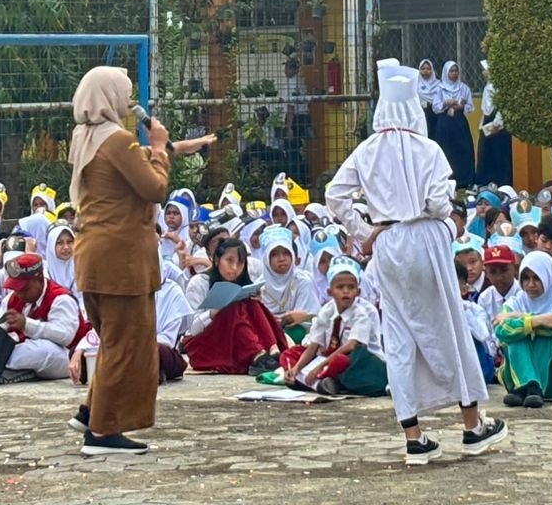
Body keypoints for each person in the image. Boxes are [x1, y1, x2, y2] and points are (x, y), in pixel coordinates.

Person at [325, 59, 507, 467]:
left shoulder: (366, 150)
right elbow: (439, 203)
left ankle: (413, 435)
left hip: (387, 240)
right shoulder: (429, 149)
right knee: (447, 326)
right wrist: (437, 220)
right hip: (424, 236)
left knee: (400, 335)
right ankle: (471, 424)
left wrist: (364, 229)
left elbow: (335, 194)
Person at [66, 64, 213, 455]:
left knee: (114, 339)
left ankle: (90, 410)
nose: (129, 102)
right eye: (125, 92)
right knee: (127, 344)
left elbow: (126, 169)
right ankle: (102, 433)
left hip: (95, 255)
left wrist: (173, 148)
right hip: (122, 258)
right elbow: (153, 187)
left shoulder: (85, 136)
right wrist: (162, 150)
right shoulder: (116, 140)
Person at [281, 257, 388, 396]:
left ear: (358, 291)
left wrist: (318, 368)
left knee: (342, 361)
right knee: (289, 354)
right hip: (327, 357)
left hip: (359, 361)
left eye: (351, 287)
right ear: (329, 292)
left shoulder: (363, 313)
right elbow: (314, 346)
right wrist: (295, 369)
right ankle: (320, 383)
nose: (346, 291)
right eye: (340, 287)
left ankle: (314, 382)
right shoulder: (327, 310)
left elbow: (350, 347)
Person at [182, 237, 287, 373]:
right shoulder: (199, 283)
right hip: (205, 345)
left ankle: (273, 350)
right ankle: (257, 355)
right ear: (217, 260)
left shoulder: (241, 283)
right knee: (233, 308)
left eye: (240, 263)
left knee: (252, 304)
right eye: (229, 261)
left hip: (234, 342)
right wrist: (214, 312)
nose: (234, 268)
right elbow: (191, 329)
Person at [494, 251, 552, 406]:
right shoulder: (515, 302)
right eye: (525, 278)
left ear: (548, 277)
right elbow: (501, 330)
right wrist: (537, 320)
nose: (530, 284)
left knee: (545, 337)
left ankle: (529, 386)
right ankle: (532, 387)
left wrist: (518, 317)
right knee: (514, 338)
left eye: (537, 278)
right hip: (517, 385)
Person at [0, 252, 87, 382]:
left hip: (66, 356)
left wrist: (26, 324)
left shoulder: (61, 298)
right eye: (16, 289)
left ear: (39, 280)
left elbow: (65, 336)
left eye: (25, 289)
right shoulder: (12, 299)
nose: (19, 294)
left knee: (42, 351)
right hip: (23, 349)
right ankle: (8, 367)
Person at [433, 60, 477, 188]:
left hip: (459, 122)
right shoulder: (439, 88)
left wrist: (461, 106)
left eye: (456, 71)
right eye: (451, 71)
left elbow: (470, 107)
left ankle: (464, 179)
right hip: (445, 122)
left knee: (463, 149)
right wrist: (445, 103)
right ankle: (446, 179)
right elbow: (436, 107)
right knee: (446, 149)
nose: (454, 74)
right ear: (446, 73)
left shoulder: (463, 88)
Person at [476, 59, 512, 187]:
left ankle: (501, 182)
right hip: (488, 121)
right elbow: (486, 108)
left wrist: (497, 123)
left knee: (499, 153)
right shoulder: (488, 86)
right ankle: (487, 181)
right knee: (486, 153)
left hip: (497, 124)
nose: (484, 73)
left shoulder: (499, 87)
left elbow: (501, 106)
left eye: (486, 70)